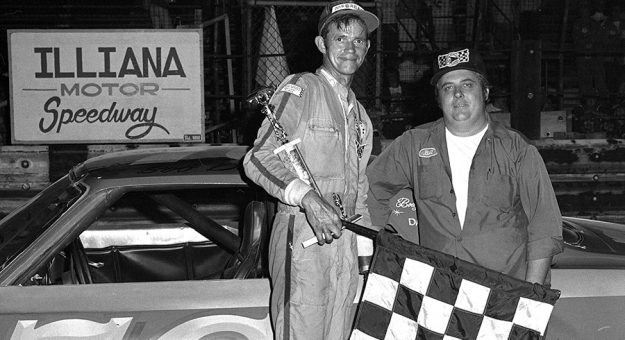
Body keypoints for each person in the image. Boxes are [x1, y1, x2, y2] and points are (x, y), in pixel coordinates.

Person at [366, 47, 563, 285]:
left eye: (467, 85)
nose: (457, 94)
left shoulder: (518, 150)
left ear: (486, 92)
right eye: (448, 88)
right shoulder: (413, 144)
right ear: (439, 99)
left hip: (503, 293)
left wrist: (529, 298)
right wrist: (387, 250)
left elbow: (544, 227)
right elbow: (371, 189)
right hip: (439, 293)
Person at [243, 1, 378, 339]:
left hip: (346, 242)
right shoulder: (301, 88)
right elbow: (258, 158)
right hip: (303, 234)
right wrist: (309, 200)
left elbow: (359, 190)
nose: (350, 48)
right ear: (322, 44)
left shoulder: (361, 116)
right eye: (340, 38)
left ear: (367, 48)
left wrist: (365, 257)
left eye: (358, 40)